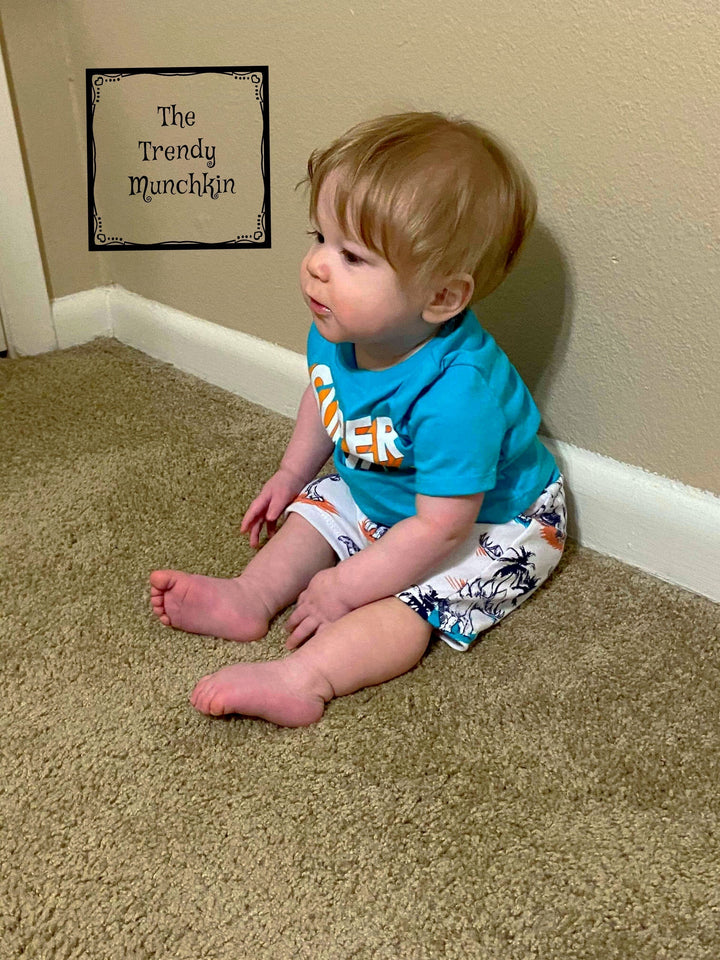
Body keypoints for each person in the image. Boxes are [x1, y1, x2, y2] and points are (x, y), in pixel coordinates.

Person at [150, 111, 567, 726]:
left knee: (411, 603)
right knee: (317, 509)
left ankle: (305, 678)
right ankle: (250, 596)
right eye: (319, 237)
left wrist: (346, 587)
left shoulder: (457, 395)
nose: (318, 265)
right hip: (392, 486)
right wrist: (292, 474)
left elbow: (440, 531)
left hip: (489, 521)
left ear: (442, 297)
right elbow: (326, 398)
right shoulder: (337, 329)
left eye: (351, 256)